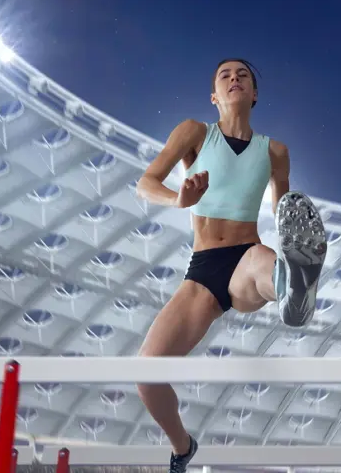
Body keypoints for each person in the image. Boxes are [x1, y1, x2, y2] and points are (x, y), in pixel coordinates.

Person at [134, 58, 327, 473]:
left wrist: (292, 244)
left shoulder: (275, 151)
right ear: (214, 97)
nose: (235, 79)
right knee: (147, 373)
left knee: (266, 262)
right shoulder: (194, 133)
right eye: (226, 76)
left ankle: (293, 291)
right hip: (203, 270)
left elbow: (285, 213)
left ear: (254, 94)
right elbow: (146, 183)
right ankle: (182, 447)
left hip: (246, 257)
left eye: (243, 76)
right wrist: (177, 199)